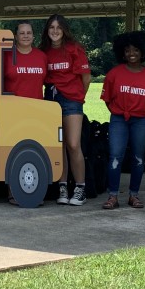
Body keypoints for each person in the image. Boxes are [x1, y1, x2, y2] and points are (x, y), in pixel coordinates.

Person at [100, 31, 145, 210]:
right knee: (115, 157)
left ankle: (134, 195)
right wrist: (117, 113)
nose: (131, 53)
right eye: (127, 50)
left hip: (141, 120)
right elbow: (108, 100)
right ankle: (113, 196)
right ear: (122, 53)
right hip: (119, 119)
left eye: (135, 50)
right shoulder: (114, 74)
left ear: (143, 52)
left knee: (138, 158)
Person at [40, 14, 92, 206]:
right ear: (47, 30)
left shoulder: (74, 48)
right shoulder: (43, 51)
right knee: (58, 145)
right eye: (51, 27)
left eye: (58, 27)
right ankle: (62, 186)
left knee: (72, 144)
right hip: (51, 100)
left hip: (71, 100)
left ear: (64, 30)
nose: (55, 31)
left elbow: (86, 78)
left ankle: (80, 188)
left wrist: (78, 97)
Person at [3, 20, 48, 204]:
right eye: (22, 33)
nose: (26, 36)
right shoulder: (7, 56)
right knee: (14, 151)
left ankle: (34, 192)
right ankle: (13, 191)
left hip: (37, 110)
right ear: (15, 36)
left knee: (35, 149)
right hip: (13, 111)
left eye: (29, 32)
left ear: (33, 35)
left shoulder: (41, 56)